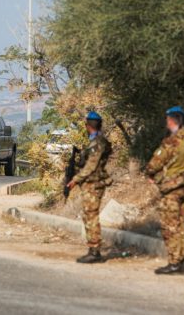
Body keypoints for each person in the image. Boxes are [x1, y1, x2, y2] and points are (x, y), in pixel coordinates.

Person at [145, 106, 184, 275]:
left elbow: (155, 162)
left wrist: (150, 173)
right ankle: (180, 259)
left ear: (172, 120)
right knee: (181, 224)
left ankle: (174, 262)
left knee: (170, 225)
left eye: (167, 119)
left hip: (172, 187)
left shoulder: (171, 142)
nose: (166, 123)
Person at [66, 111, 112, 264]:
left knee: (91, 216)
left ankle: (95, 250)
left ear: (88, 125)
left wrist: (75, 179)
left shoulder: (98, 142)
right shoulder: (94, 141)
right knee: (88, 215)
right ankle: (93, 248)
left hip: (95, 183)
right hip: (90, 183)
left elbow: (91, 166)